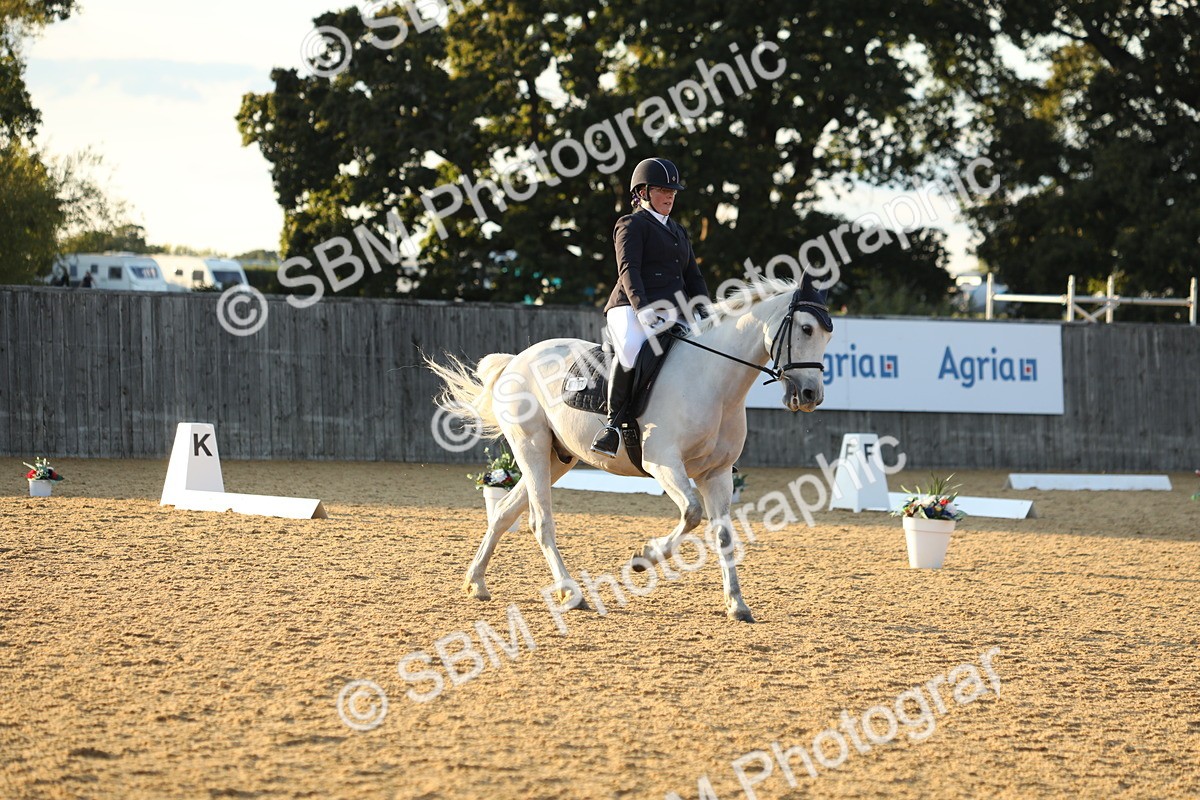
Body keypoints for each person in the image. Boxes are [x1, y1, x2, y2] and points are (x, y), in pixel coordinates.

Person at [591, 158, 712, 457]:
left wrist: (708, 313)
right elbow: (628, 269)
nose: (670, 196)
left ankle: (707, 437)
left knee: (704, 359)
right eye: (662, 189)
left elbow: (692, 276)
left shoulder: (679, 231)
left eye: (673, 190)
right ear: (643, 193)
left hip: (675, 311)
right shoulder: (631, 224)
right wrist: (642, 308)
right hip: (630, 306)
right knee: (631, 348)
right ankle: (613, 426)